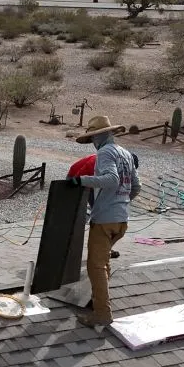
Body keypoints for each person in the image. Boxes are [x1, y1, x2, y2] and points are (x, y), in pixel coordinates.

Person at [67, 115, 140, 327]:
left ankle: (102, 313)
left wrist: (80, 181)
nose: (92, 142)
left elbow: (112, 179)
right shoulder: (125, 153)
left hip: (105, 220)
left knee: (95, 266)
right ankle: (99, 302)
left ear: (99, 136)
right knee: (104, 262)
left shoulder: (105, 152)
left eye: (93, 138)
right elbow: (136, 186)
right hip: (121, 220)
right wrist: (121, 202)